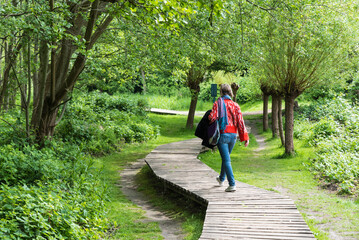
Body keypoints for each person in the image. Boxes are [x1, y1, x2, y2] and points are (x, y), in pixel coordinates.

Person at [208, 84, 249, 192]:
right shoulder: (236, 105)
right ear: (230, 92)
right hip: (233, 137)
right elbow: (240, 122)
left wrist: (209, 115)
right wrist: (245, 137)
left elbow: (212, 117)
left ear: (221, 92)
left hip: (222, 135)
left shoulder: (218, 103)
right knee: (226, 158)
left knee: (226, 160)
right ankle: (221, 179)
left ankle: (232, 184)